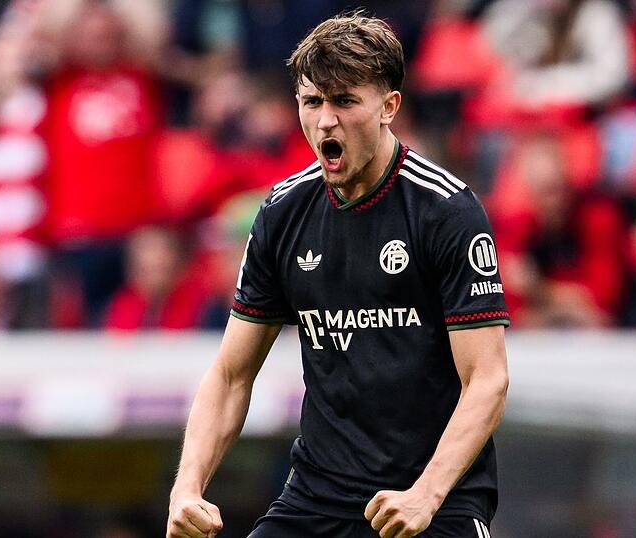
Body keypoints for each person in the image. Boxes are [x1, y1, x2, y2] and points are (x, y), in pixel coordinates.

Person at [167, 13, 510, 538]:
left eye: (345, 101)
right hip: (317, 500)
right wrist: (187, 487)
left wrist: (426, 495)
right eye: (312, 102)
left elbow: (487, 380)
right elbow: (232, 375)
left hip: (434, 502)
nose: (326, 121)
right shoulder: (282, 213)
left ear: (389, 106)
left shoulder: (446, 211)